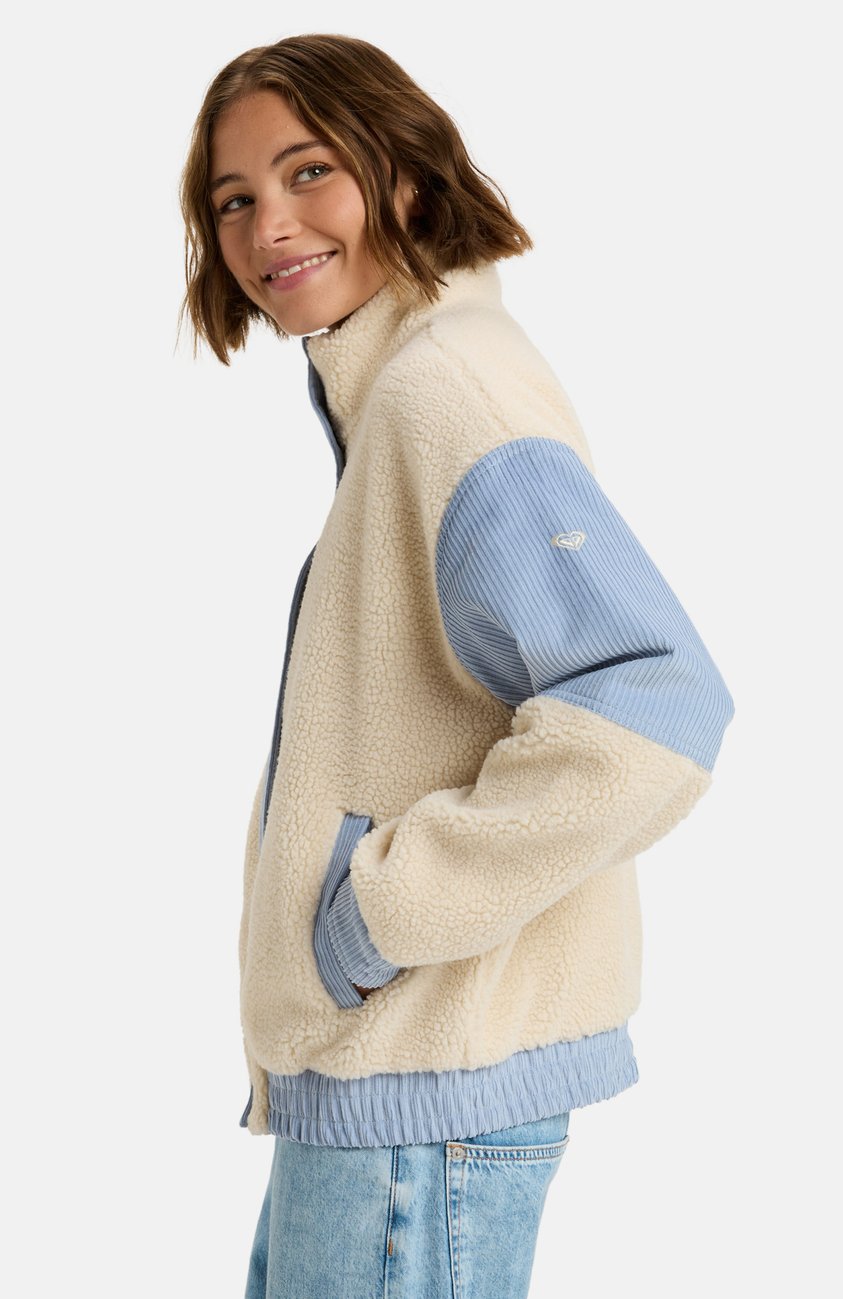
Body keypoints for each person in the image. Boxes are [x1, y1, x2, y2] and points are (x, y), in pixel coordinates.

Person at [178, 32, 735, 1299]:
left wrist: (380, 913)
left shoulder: (447, 394)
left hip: (419, 1099)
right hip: (387, 1086)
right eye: (233, 199)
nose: (269, 225)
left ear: (406, 172)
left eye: (308, 171)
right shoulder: (402, 389)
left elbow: (654, 703)